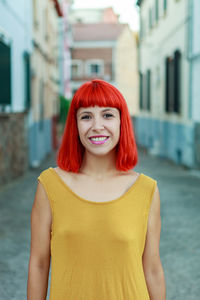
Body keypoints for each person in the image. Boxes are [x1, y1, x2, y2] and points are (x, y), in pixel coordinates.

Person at [27, 79, 166, 300]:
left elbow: (152, 269)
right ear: (75, 125)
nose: (97, 126)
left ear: (122, 122)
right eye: (86, 116)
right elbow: (39, 264)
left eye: (108, 115)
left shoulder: (146, 190)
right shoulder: (50, 185)